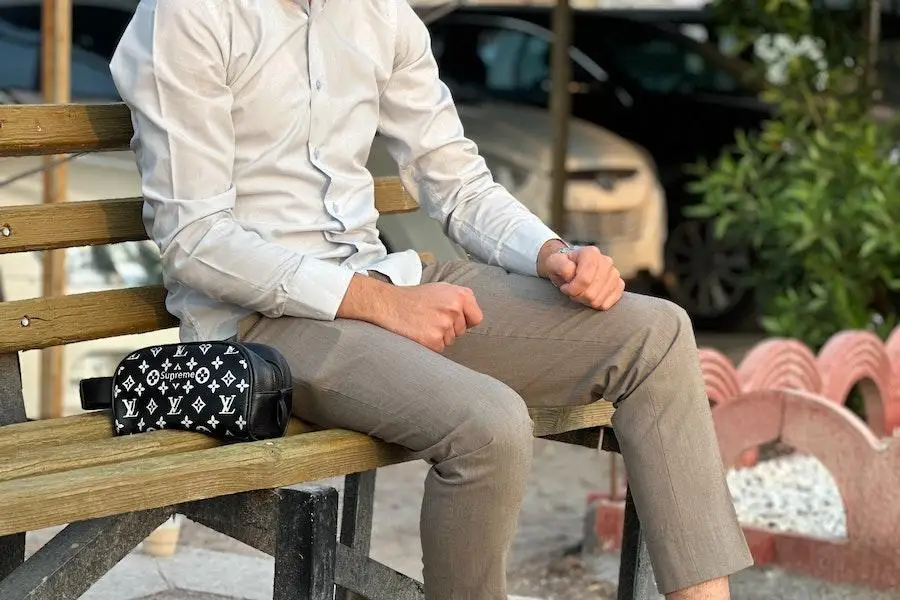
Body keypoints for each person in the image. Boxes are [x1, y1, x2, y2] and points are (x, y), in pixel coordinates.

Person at [110, 1, 753, 598]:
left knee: (657, 332)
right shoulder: (188, 15)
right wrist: (379, 304)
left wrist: (551, 253)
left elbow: (459, 186)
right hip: (262, 323)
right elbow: (195, 240)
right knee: (487, 424)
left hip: (384, 278)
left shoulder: (380, 14)